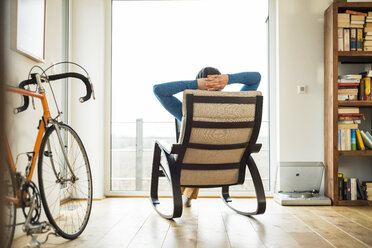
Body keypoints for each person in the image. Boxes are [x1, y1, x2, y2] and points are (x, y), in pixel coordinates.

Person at [153, 67, 261, 207]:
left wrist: (195, 84)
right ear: (221, 86)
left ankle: (186, 195)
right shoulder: (235, 107)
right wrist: (229, 79)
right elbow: (256, 77)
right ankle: (188, 196)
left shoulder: (186, 110)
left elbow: (158, 90)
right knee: (202, 144)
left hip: (193, 166)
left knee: (192, 146)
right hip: (227, 165)